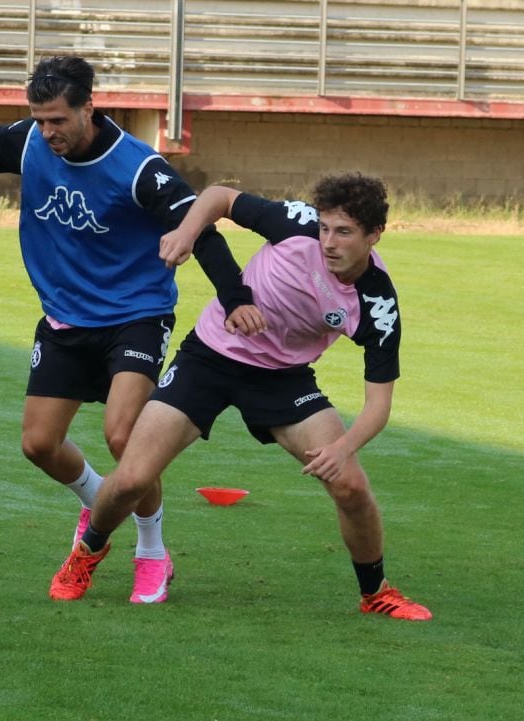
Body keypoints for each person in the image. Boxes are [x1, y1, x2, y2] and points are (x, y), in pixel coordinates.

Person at [0, 56, 258, 604]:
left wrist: (235, 298)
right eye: (39, 119)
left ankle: (151, 551)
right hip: (65, 317)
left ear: (90, 106)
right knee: (39, 444)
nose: (47, 132)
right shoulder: (33, 141)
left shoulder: (139, 168)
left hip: (135, 315)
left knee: (123, 435)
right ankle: (96, 498)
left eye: (58, 119)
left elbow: (199, 228)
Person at [49, 173, 433, 620]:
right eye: (326, 227)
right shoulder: (296, 223)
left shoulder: (377, 302)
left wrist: (342, 447)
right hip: (210, 357)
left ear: (374, 235)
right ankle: (87, 552)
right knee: (133, 478)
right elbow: (218, 197)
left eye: (344, 232)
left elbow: (378, 406)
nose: (328, 241)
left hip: (282, 377)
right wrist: (186, 233)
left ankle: (376, 593)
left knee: (351, 485)